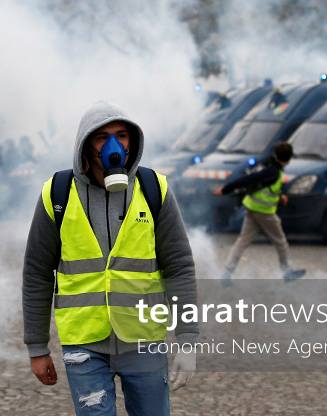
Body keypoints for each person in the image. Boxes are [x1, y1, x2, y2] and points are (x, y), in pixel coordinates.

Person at [23, 100, 198, 415]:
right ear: (86, 143)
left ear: (133, 141)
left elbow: (179, 268)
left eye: (121, 135)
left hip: (144, 341)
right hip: (84, 344)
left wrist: (188, 338)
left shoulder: (154, 189)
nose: (114, 144)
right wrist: (37, 349)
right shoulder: (58, 193)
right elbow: (36, 272)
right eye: (102, 137)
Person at [214, 142, 306, 282]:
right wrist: (226, 189)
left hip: (251, 208)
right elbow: (248, 180)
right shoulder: (273, 172)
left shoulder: (270, 166)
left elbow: (264, 187)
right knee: (281, 242)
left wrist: (280, 196)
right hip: (264, 213)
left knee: (242, 241)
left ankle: (227, 273)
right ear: (288, 159)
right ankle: (287, 272)